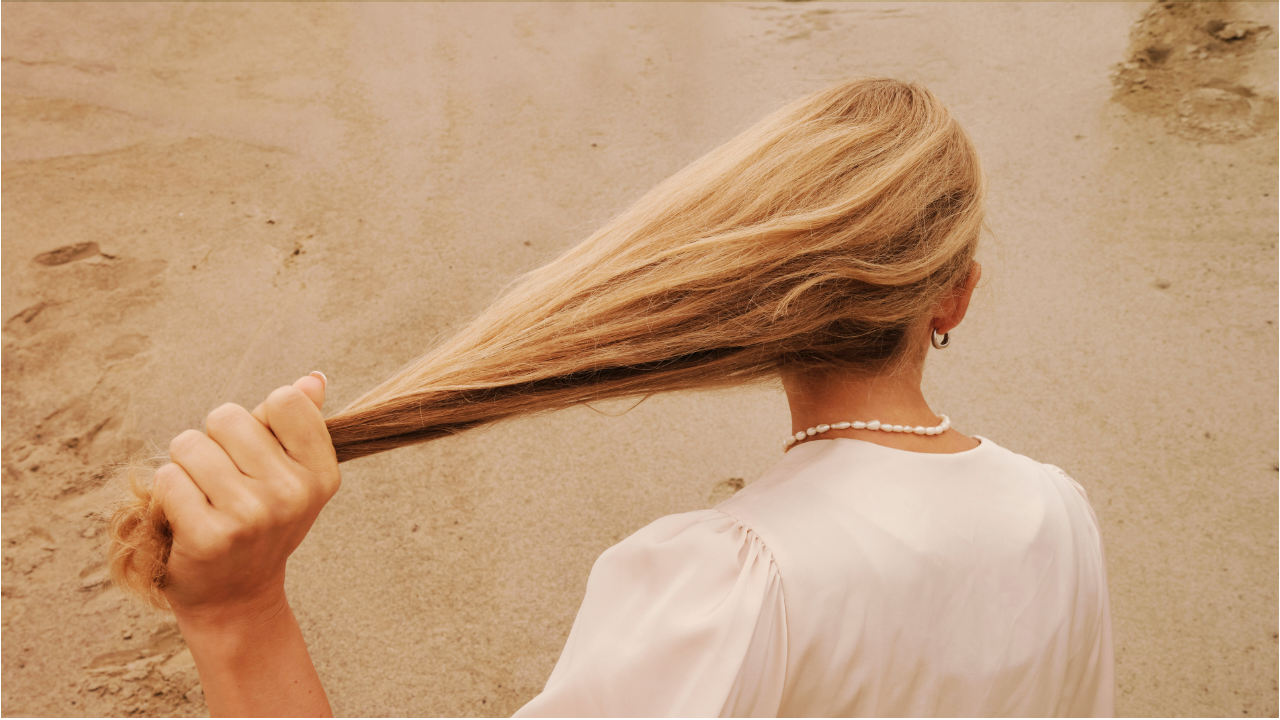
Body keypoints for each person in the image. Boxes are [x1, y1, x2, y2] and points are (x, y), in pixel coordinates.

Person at [107, 77, 1114, 716]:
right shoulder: (1056, 513)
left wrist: (242, 615)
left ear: (759, 292)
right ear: (957, 295)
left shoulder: (733, 578)